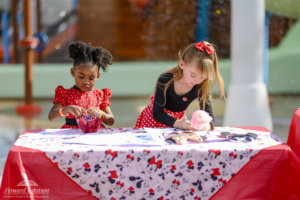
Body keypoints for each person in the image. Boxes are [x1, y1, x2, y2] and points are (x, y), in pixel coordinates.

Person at [135, 41, 225, 130]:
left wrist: (206, 125)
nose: (197, 80)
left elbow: (208, 112)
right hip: (154, 121)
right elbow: (157, 113)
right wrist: (178, 123)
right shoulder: (166, 80)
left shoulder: (200, 86)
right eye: (193, 75)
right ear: (182, 64)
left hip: (178, 123)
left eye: (203, 77)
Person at [48, 41, 115, 128]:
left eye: (91, 78)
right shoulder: (65, 94)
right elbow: (51, 117)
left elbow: (111, 121)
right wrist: (66, 109)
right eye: (81, 77)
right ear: (73, 72)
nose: (86, 82)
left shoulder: (99, 95)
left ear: (97, 75)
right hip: (71, 135)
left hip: (95, 134)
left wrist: (102, 114)